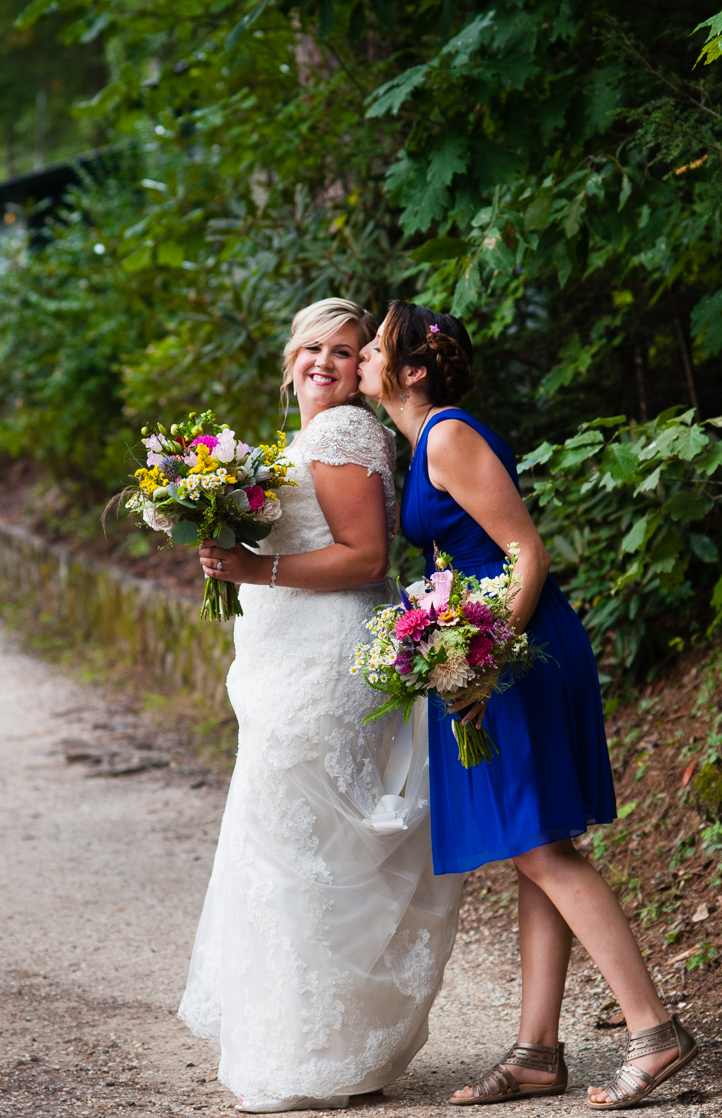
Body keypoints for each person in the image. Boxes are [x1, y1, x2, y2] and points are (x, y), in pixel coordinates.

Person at [358, 301, 699, 1111]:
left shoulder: (446, 433)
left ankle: (655, 1032)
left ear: (411, 370)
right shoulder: (422, 441)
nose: (364, 355)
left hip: (516, 646)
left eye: (375, 346)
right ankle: (537, 1052)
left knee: (546, 851)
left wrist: (484, 664)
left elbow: (525, 552)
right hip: (483, 643)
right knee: (532, 845)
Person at [179, 298, 465, 1113]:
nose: (325, 363)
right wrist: (226, 544)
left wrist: (251, 571)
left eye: (345, 352)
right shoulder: (297, 444)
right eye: (312, 348)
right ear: (288, 358)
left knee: (308, 844)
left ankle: (320, 1051)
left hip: (325, 661)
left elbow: (365, 556)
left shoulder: (342, 434)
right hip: (283, 657)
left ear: (363, 370)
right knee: (292, 843)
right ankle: (317, 1045)